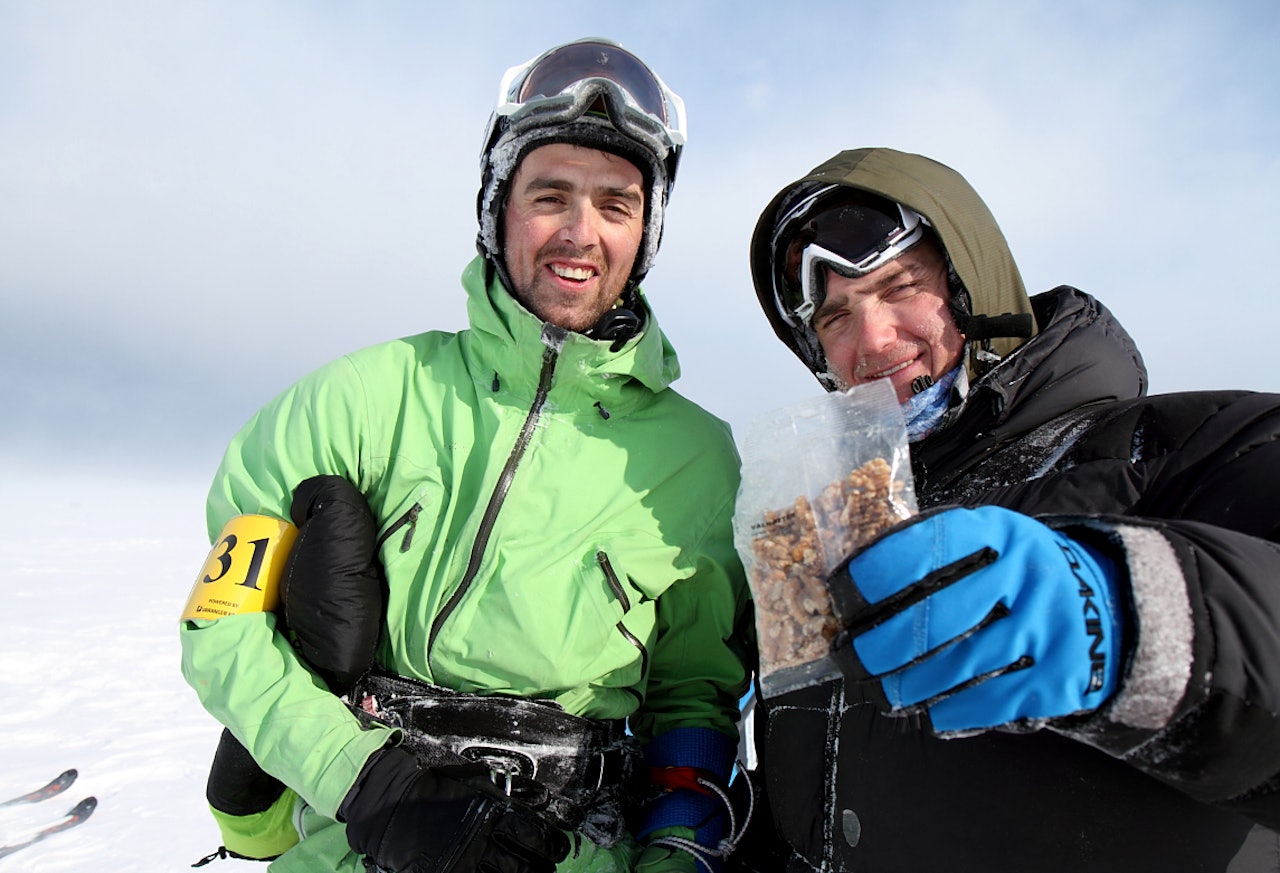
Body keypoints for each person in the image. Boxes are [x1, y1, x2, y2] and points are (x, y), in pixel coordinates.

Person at [179, 37, 752, 873]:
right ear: (498, 205)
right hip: (356, 836)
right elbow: (222, 624)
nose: (579, 234)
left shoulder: (700, 459)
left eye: (617, 204)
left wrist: (672, 854)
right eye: (549, 194)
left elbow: (695, 696)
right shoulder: (363, 398)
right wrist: (369, 782)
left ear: (647, 229)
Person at [734, 146, 1280, 872]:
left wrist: (1115, 607)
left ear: (970, 285)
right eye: (836, 316)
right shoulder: (830, 526)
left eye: (901, 286)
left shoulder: (1183, 450)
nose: (871, 340)